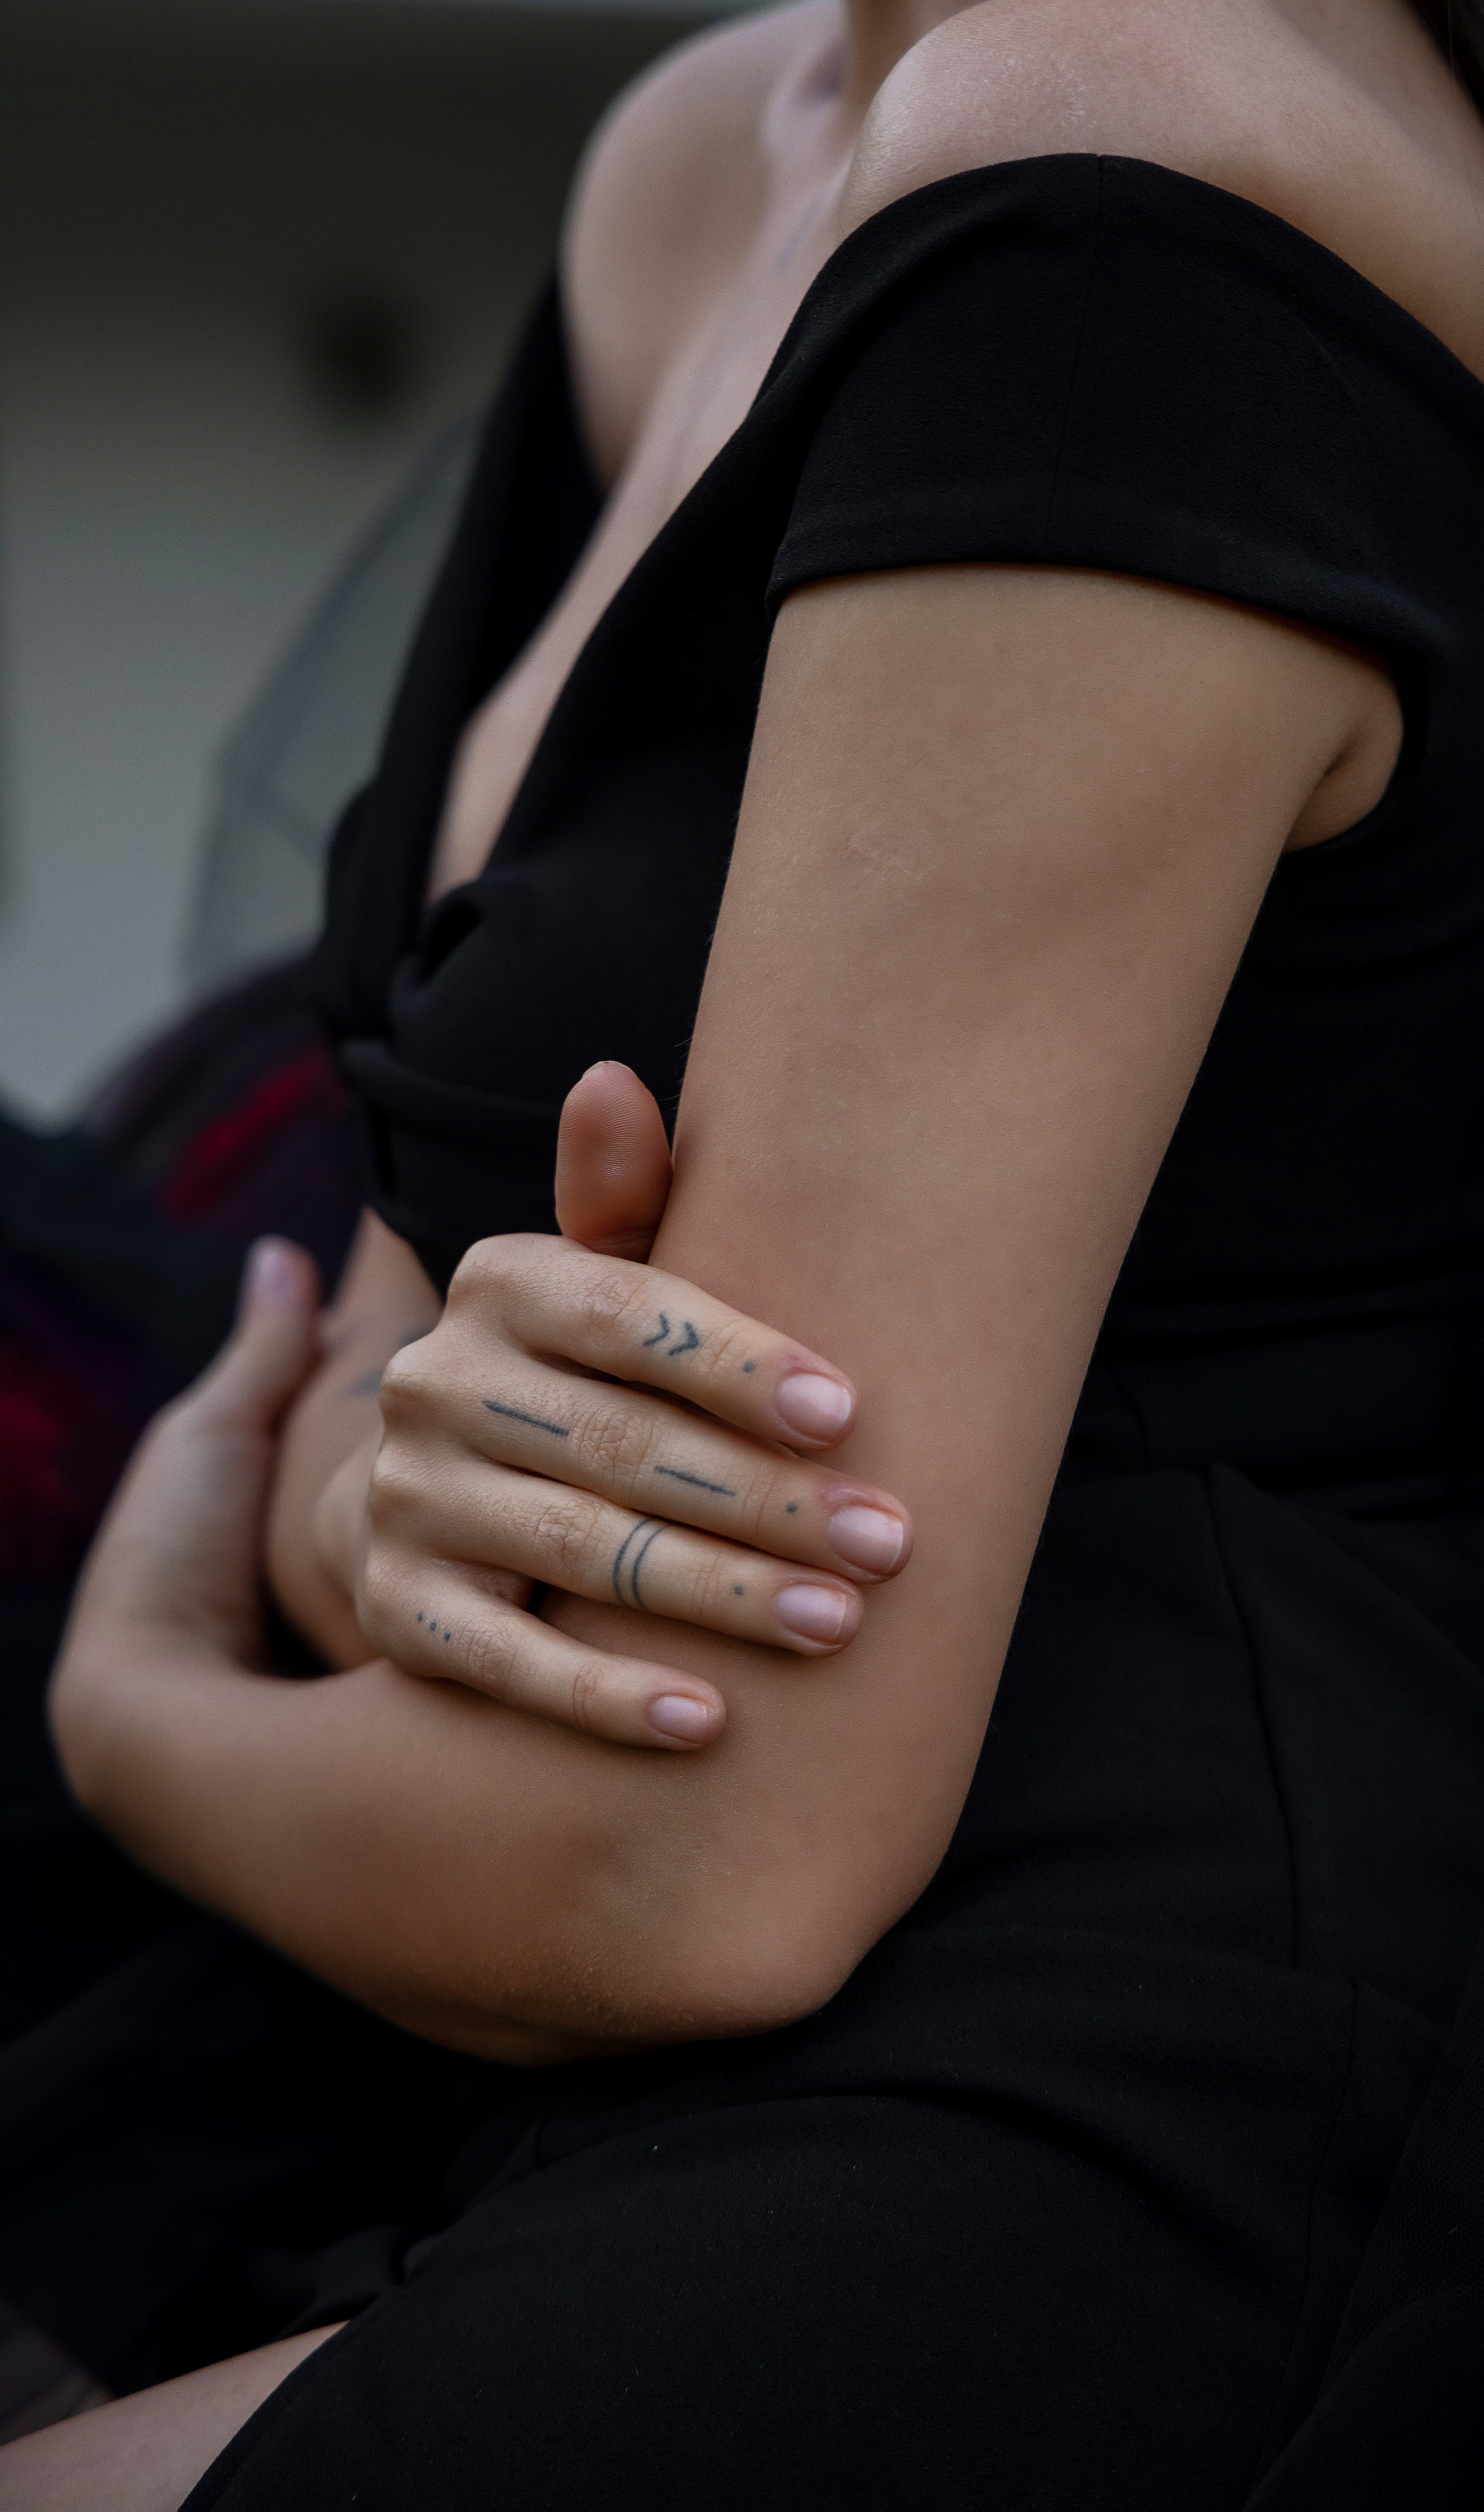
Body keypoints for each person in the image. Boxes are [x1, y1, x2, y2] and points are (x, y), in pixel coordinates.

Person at [4, 0, 1484, 2498]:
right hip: (454, 2008)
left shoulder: (1111, 144)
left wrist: (135, 1709)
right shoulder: (705, 157)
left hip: (1084, 2127)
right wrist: (368, 1492)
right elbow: (378, 1368)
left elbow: (702, 1871)